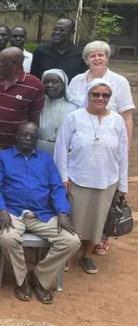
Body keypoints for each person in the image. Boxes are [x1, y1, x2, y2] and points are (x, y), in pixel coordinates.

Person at [0, 122, 80, 304]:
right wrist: (1, 209)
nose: (28, 138)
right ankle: (22, 277)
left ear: (36, 140)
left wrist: (63, 212)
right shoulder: (2, 157)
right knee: (7, 238)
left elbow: (56, 188)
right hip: (13, 212)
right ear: (16, 136)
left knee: (72, 241)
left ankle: (40, 277)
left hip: (42, 213)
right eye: (24, 135)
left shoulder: (45, 159)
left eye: (32, 136)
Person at [54, 79, 128, 275]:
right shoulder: (74, 118)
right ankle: (68, 255)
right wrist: (63, 177)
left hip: (107, 180)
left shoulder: (117, 120)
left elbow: (123, 153)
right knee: (75, 220)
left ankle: (86, 255)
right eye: (96, 94)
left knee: (97, 221)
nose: (101, 98)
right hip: (77, 178)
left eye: (105, 95)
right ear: (89, 95)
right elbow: (61, 149)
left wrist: (122, 184)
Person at [68, 41, 134, 256]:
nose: (97, 59)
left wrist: (122, 148)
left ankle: (96, 243)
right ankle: (70, 248)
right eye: (92, 56)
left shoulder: (120, 82)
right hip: (80, 148)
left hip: (109, 144)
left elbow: (127, 117)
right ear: (85, 59)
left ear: (107, 57)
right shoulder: (77, 81)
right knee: (77, 207)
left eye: (101, 55)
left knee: (102, 205)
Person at [0, 47, 45, 159]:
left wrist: (23, 147)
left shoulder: (35, 86)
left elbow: (34, 122)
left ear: (14, 63)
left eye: (1, 61)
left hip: (16, 153)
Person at [37, 69, 80, 155]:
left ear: (63, 85)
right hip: (39, 148)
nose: (49, 85)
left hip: (63, 150)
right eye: (46, 82)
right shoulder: (38, 102)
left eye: (54, 82)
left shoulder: (74, 106)